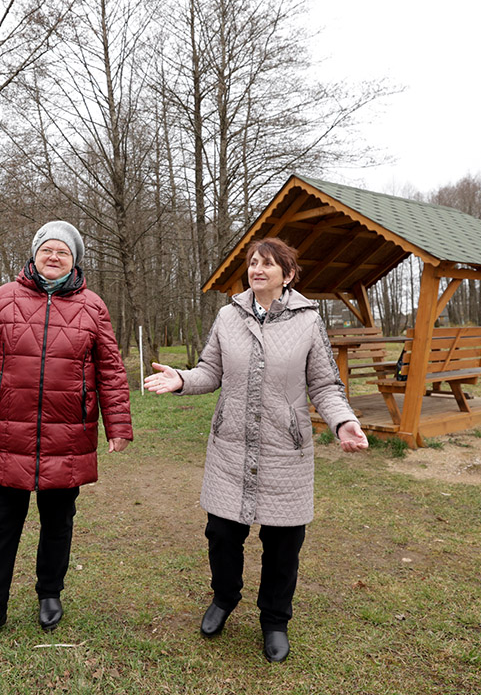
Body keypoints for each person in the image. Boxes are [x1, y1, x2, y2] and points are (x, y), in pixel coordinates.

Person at [143, 237, 368, 663]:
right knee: (221, 536)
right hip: (231, 449)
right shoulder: (229, 316)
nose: (257, 269)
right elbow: (210, 370)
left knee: (284, 545)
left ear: (288, 274)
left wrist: (343, 421)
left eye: (268, 264)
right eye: (252, 263)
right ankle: (223, 599)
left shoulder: (307, 321)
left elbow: (324, 384)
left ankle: (275, 621)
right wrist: (182, 379)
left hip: (286, 451)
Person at [0, 220, 133, 650]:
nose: (54, 257)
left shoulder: (93, 307)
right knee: (0, 528)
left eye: (63, 252)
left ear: (74, 260)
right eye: (47, 249)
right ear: (33, 255)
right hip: (8, 435)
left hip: (67, 436)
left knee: (57, 525)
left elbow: (110, 371)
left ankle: (50, 594)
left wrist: (118, 425)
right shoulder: (2, 300)